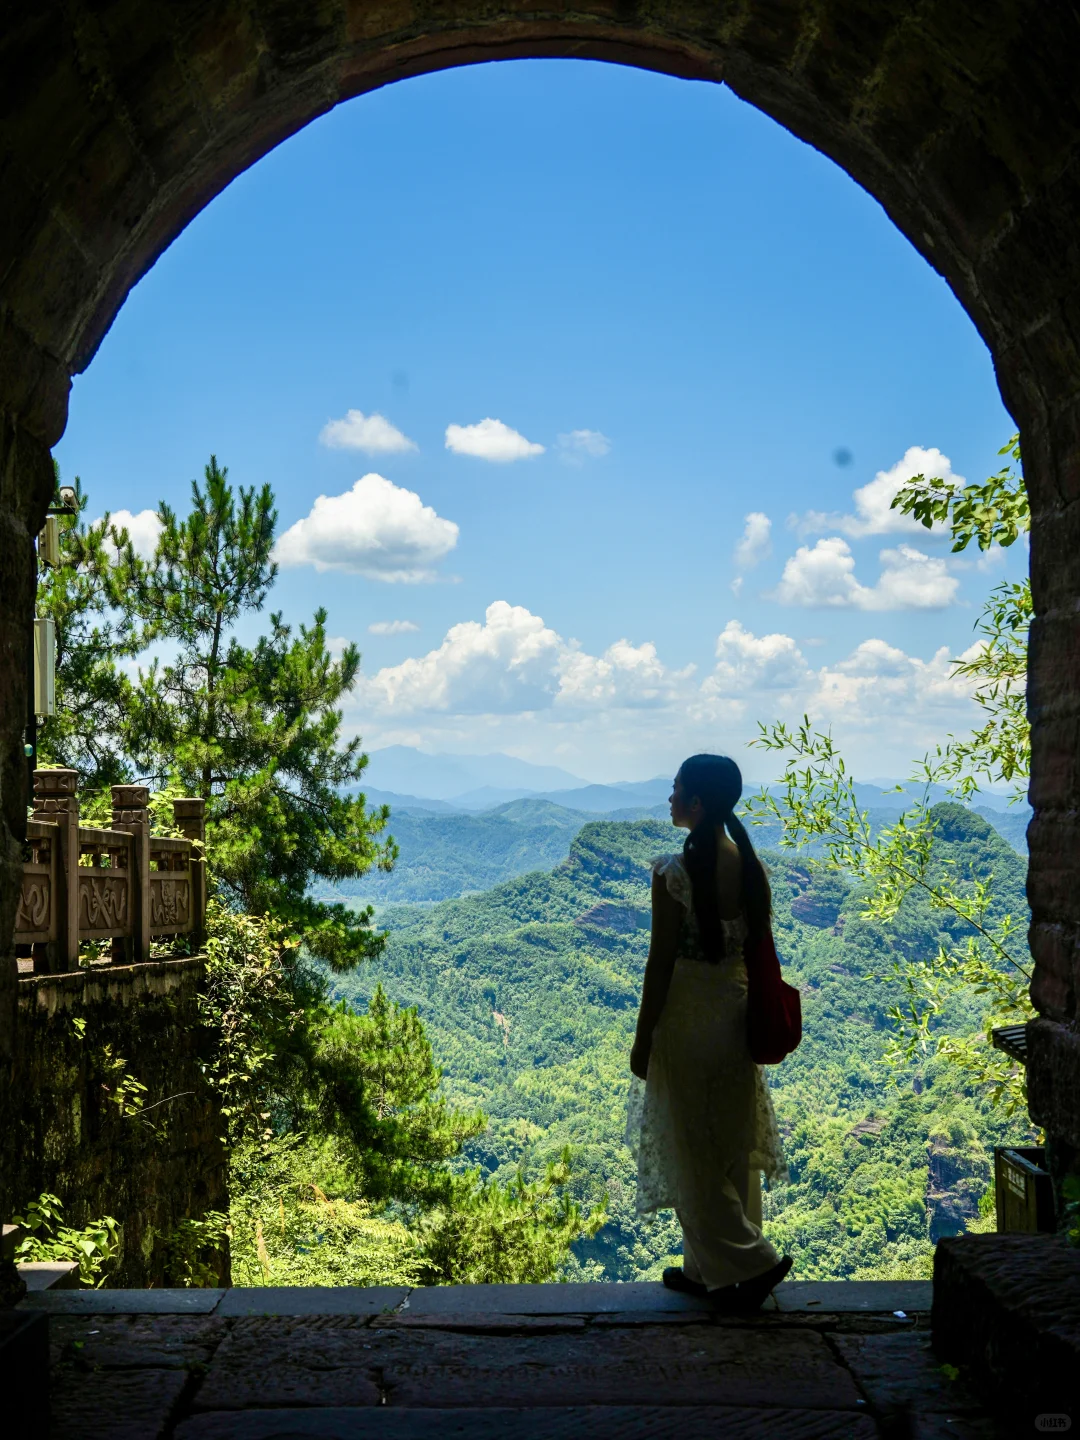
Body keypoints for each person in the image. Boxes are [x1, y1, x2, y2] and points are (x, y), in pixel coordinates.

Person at [626, 753, 792, 1311]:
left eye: (675, 790)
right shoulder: (750, 868)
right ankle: (705, 1273)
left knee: (688, 1149)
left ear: (696, 802)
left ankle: (753, 1261)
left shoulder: (673, 874)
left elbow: (661, 964)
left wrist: (643, 1037)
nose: (669, 798)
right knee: (726, 1140)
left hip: (687, 1017)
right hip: (735, 1014)